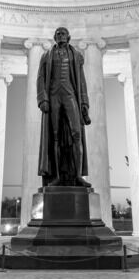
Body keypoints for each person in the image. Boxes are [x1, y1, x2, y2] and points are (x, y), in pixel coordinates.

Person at [36, 27, 92, 187]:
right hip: (53, 96)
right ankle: (57, 177)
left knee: (76, 134)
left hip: (70, 95)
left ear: (68, 37)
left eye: (63, 34)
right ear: (54, 37)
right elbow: (40, 78)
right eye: (58, 34)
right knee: (55, 136)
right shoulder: (46, 56)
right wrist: (42, 99)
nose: (61, 36)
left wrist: (84, 103)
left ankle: (77, 176)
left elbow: (81, 80)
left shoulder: (76, 56)